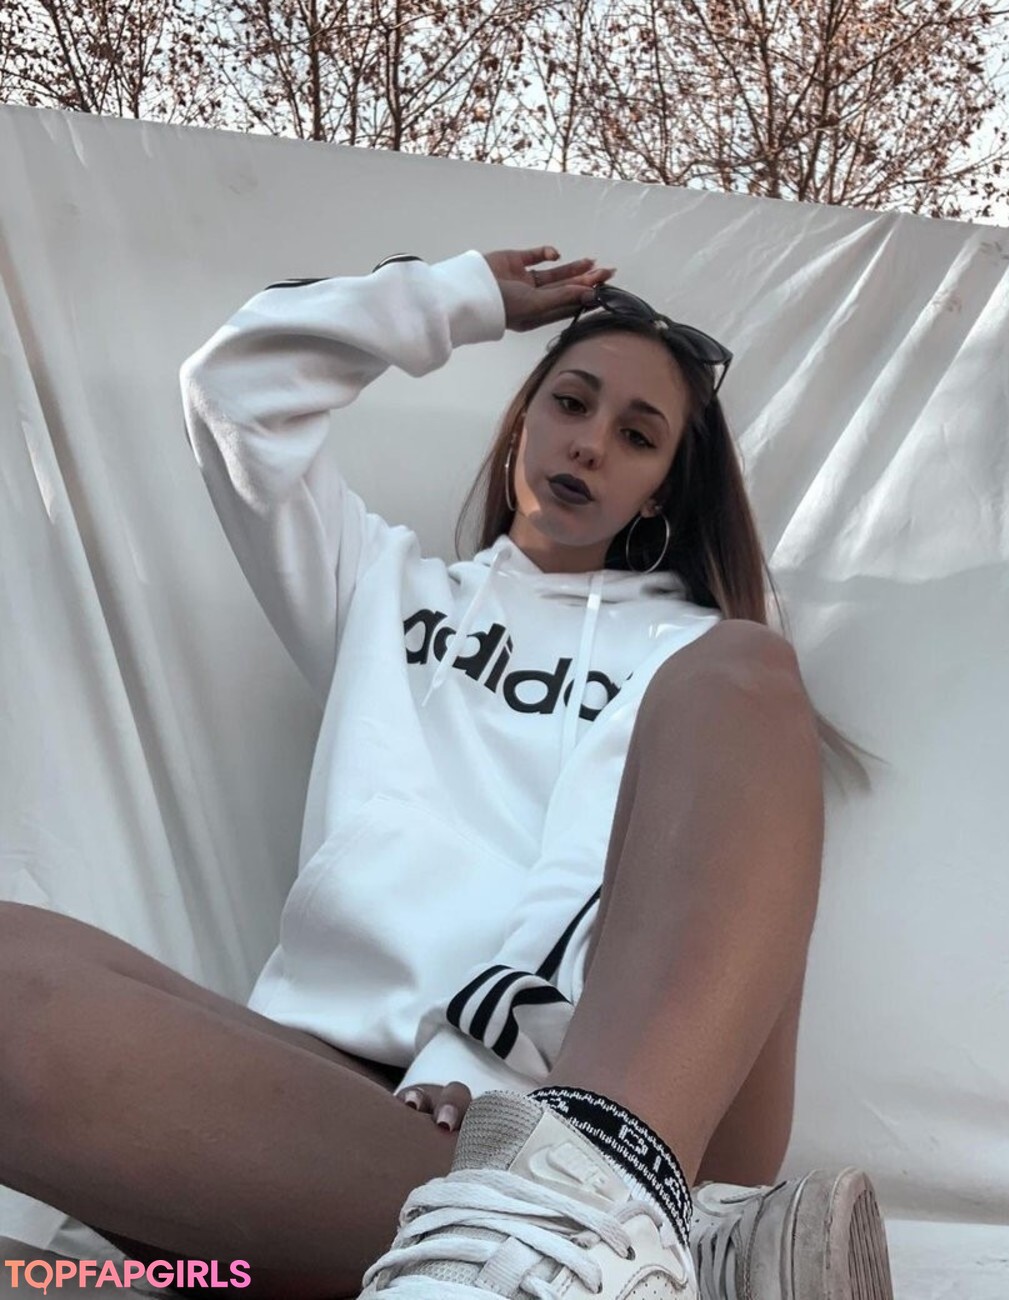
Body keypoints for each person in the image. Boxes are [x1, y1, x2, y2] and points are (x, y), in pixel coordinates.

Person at [0, 245, 891, 1300]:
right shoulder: (381, 590)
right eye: (572, 403)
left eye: (638, 435)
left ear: (662, 494)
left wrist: (480, 1069)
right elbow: (233, 394)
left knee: (747, 671)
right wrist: (457, 298)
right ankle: (678, 1260)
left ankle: (564, 1213)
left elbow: (593, 866)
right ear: (522, 424)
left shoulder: (683, 656)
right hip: (327, 1092)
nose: (590, 443)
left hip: (608, 1101)